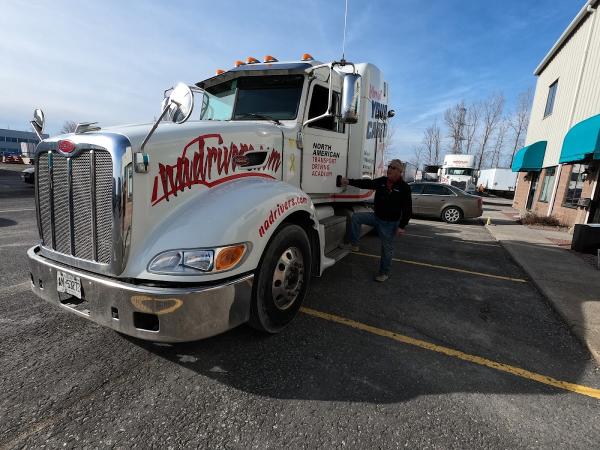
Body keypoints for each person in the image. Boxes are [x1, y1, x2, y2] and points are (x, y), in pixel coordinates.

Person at [339, 159, 412, 282]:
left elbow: (407, 209)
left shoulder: (404, 188)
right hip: (376, 217)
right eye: (389, 166)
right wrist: (348, 181)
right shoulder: (382, 181)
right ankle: (354, 244)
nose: (389, 169)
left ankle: (384, 273)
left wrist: (402, 226)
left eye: (393, 168)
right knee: (356, 217)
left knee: (386, 249)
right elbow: (366, 184)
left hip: (389, 224)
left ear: (400, 171)